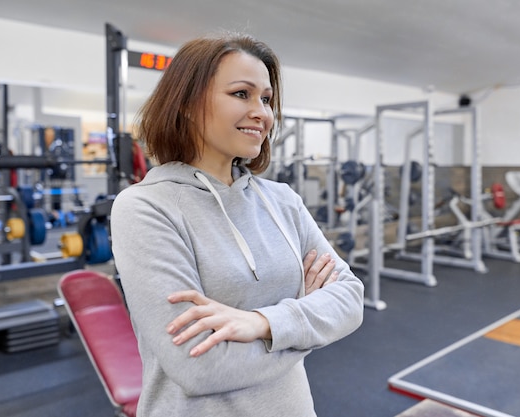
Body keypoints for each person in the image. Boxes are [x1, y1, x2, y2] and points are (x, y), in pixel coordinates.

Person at [110, 32, 364, 417]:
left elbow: (350, 299)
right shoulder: (145, 207)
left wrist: (261, 322)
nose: (262, 112)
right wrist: (309, 323)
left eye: (266, 98)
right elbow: (199, 367)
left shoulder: (283, 200)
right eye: (241, 94)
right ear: (188, 104)